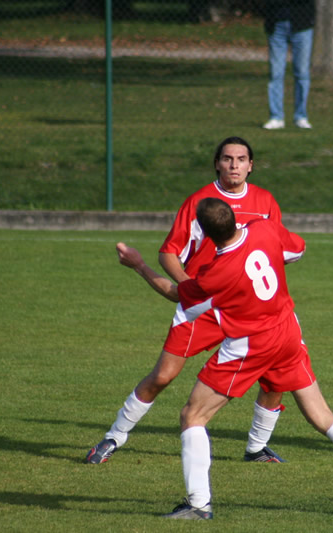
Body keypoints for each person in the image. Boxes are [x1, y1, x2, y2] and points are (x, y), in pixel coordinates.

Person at [115, 198, 333, 520]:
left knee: (193, 416)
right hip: (287, 331)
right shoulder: (264, 228)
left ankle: (198, 504)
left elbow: (175, 292)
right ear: (235, 218)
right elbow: (297, 250)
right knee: (324, 417)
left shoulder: (214, 274)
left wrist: (138, 265)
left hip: (251, 344)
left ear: (203, 233)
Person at [85, 137, 288, 465]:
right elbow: (168, 252)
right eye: (227, 158)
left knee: (277, 376)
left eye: (241, 159)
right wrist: (190, 285)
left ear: (251, 165)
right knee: (163, 376)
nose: (234, 165)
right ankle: (113, 437)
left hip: (248, 307)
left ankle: (256, 448)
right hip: (202, 307)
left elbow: (277, 248)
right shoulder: (199, 202)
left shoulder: (265, 201)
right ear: (217, 164)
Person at [261, 0, 315, 130]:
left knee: (302, 73)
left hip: (302, 25)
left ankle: (301, 116)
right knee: (276, 74)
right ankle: (276, 117)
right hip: (276, 25)